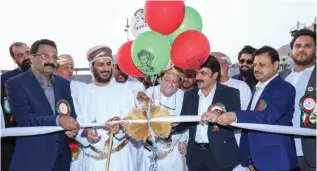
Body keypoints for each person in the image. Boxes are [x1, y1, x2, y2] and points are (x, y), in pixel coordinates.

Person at [216, 46, 298, 171]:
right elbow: (251, 123)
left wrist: (235, 115)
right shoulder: (257, 88)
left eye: (262, 65)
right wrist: (249, 157)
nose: (257, 69)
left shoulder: (285, 89)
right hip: (256, 161)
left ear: (276, 65)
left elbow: (267, 116)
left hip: (277, 161)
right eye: (255, 65)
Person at [5, 39, 79, 171]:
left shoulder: (63, 84)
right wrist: (58, 120)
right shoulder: (15, 84)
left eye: (54, 57)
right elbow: (25, 120)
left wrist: (71, 128)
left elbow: (70, 113)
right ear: (32, 58)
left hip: (61, 160)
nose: (50, 60)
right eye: (45, 56)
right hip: (32, 159)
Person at [74, 45, 138, 171]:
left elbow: (131, 121)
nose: (105, 68)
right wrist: (86, 133)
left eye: (108, 64)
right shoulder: (81, 94)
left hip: (119, 158)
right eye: (100, 64)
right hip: (92, 160)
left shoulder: (124, 91)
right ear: (91, 67)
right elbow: (76, 124)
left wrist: (119, 127)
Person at [174, 55, 241, 171]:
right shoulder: (189, 95)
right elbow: (183, 123)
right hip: (195, 155)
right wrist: (166, 128)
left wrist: (220, 117)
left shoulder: (230, 94)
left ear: (215, 75)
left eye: (203, 73)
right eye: (197, 73)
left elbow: (235, 121)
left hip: (220, 156)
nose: (198, 77)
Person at [138, 66, 189, 171]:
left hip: (173, 150)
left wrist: (183, 141)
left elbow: (186, 121)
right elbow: (140, 119)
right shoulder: (149, 92)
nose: (170, 85)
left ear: (179, 83)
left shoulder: (182, 96)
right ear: (160, 79)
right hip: (150, 149)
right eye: (167, 80)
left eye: (175, 82)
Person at [280, 29, 316, 171]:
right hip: (283, 153)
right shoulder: (280, 78)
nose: (301, 49)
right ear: (292, 50)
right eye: (297, 46)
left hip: (312, 156)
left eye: (307, 46)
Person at [212, 52, 251, 171]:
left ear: (226, 65)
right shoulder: (207, 88)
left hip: (236, 144)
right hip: (212, 148)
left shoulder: (241, 87)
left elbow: (246, 116)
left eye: (215, 63)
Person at [1, 42, 31, 171]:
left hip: (39, 135)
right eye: (20, 55)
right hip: (12, 138)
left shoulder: (45, 76)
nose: (25, 57)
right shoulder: (5, 80)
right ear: (14, 59)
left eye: (27, 53)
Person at [56, 54, 87, 171]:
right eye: (66, 68)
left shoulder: (82, 88)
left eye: (71, 68)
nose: (70, 71)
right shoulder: (49, 89)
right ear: (56, 69)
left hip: (79, 141)